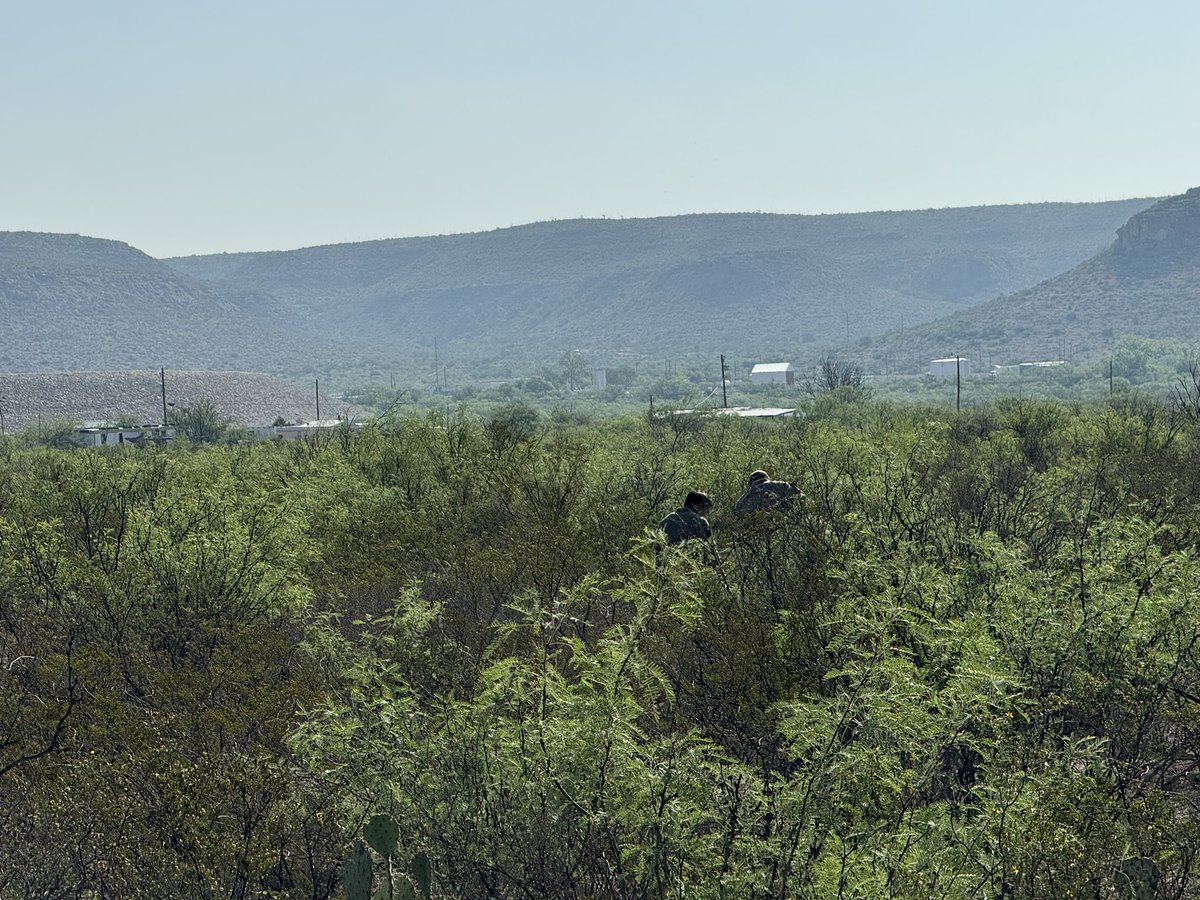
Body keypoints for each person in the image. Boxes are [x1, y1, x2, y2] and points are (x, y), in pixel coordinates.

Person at [733, 469, 799, 515]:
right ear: (766, 478)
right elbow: (799, 495)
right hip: (781, 525)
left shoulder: (742, 500)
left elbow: (736, 515)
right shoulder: (781, 485)